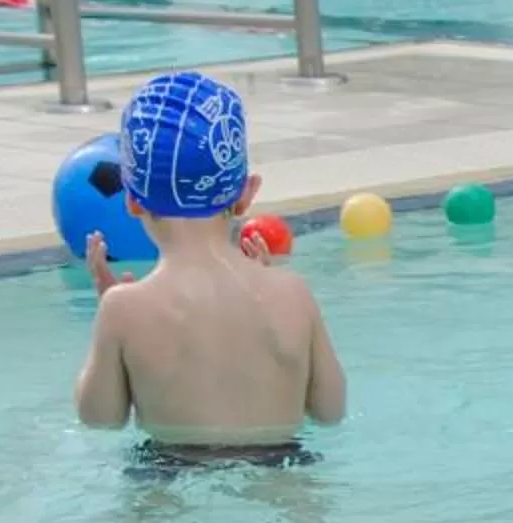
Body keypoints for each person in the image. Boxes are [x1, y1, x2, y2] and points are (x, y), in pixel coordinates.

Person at [74, 71, 346, 468]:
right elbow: (330, 410)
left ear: (132, 201)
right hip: (281, 469)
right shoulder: (291, 293)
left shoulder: (124, 309)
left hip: (168, 471)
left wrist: (108, 321)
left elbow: (101, 419)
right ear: (246, 194)